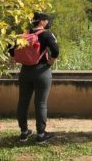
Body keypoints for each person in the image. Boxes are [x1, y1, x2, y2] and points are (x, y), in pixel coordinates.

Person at [14, 12, 59, 143]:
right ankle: (41, 134)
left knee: (23, 101)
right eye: (47, 20)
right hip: (41, 71)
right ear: (42, 22)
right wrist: (51, 61)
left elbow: (11, 50)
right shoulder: (46, 34)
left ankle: (23, 133)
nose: (48, 23)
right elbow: (55, 50)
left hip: (25, 71)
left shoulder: (24, 34)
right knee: (40, 103)